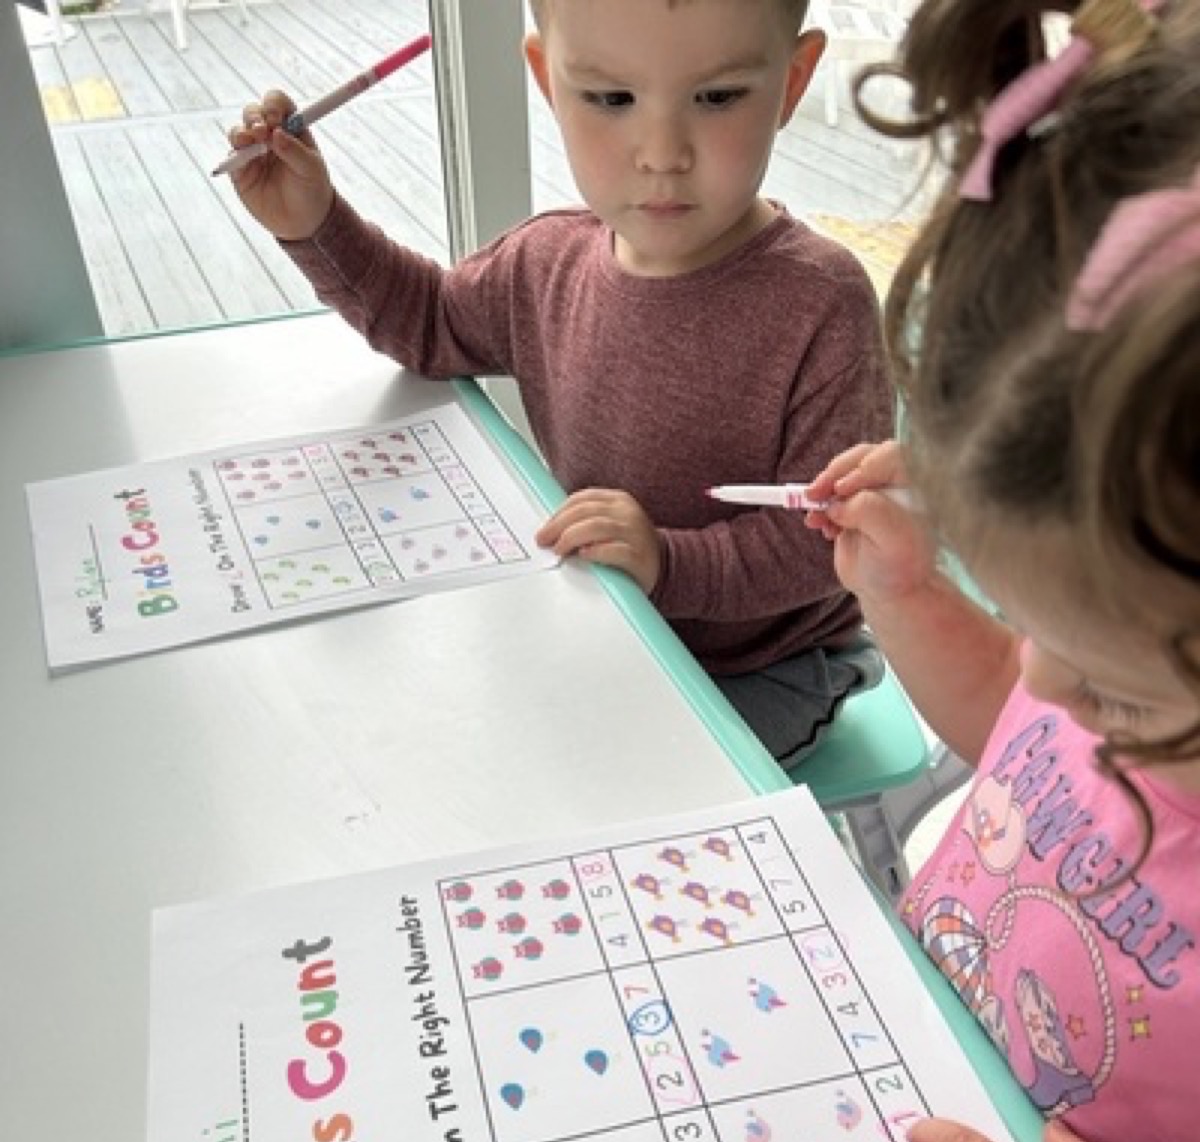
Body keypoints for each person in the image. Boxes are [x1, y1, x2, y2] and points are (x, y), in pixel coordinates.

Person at [802, 0, 1200, 1142]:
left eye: (1120, 685)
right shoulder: (1123, 661)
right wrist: (915, 599)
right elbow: (1029, 757)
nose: (1045, 688)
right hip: (921, 1128)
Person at [224, 0, 893, 765]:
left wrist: (667, 564)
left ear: (793, 80)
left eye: (717, 96)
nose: (662, 152)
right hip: (606, 621)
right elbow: (429, 322)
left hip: (762, 666)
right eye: (611, 99)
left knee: (586, 787)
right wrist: (315, 224)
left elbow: (828, 539)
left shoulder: (820, 301)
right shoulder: (546, 264)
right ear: (548, 79)